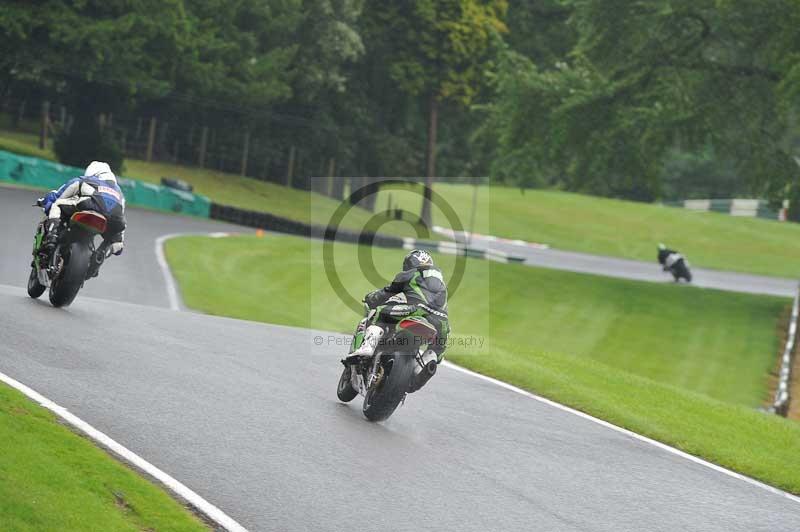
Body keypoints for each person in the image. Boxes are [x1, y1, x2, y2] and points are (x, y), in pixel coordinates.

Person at [348, 249, 450, 372]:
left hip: (416, 310)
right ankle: (423, 369)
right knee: (437, 351)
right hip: (442, 321)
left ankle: (367, 348)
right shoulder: (441, 281)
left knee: (380, 312)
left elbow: (386, 293)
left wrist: (371, 298)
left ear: (411, 263)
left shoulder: (409, 274)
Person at [40, 161, 126, 266]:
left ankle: (51, 237)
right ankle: (100, 256)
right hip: (114, 219)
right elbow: (121, 221)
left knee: (57, 205)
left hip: (89, 207)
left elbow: (58, 196)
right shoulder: (120, 194)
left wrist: (45, 202)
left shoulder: (85, 180)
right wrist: (118, 241)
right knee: (117, 242)